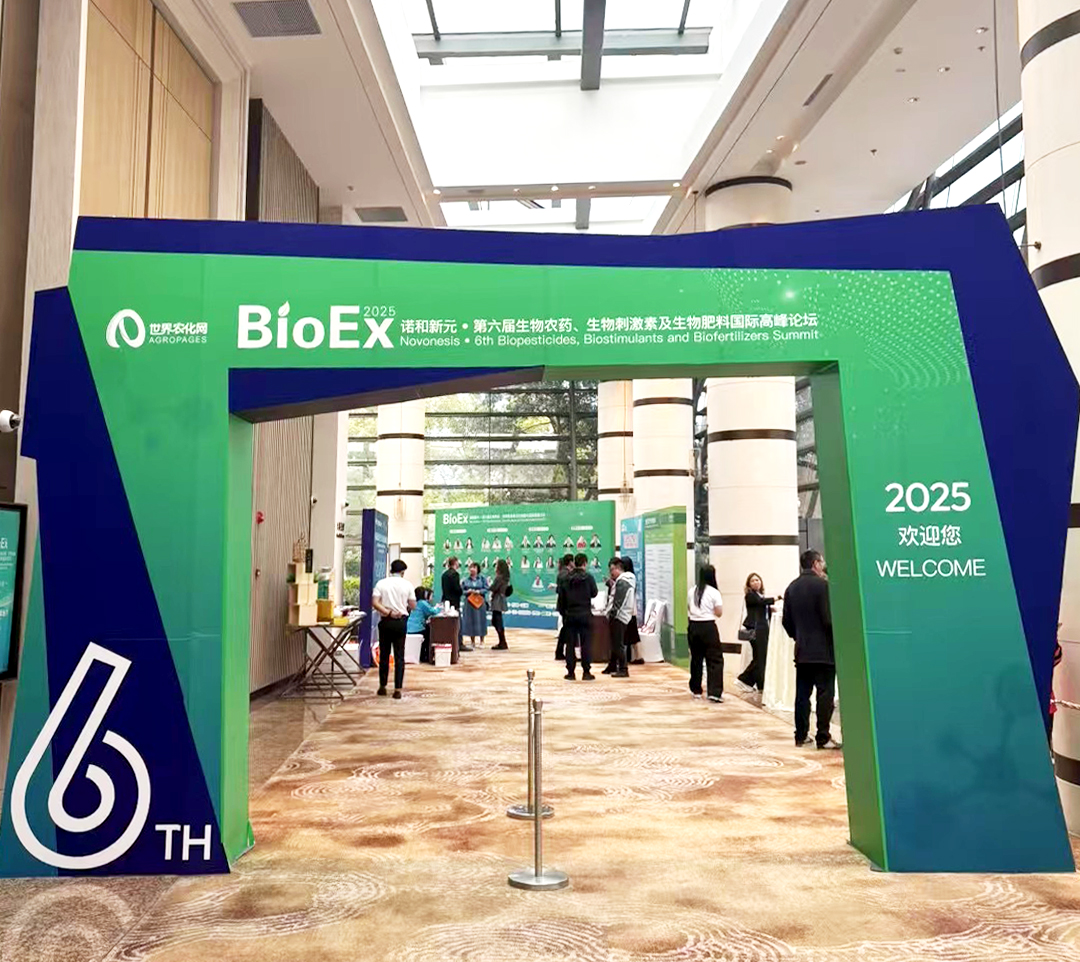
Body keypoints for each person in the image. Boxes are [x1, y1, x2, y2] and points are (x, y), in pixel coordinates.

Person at [782, 550, 841, 749]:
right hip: (824, 650)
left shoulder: (792, 587)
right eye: (821, 562)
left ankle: (800, 735)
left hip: (802, 650)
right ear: (816, 563)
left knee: (802, 695)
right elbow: (829, 619)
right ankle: (823, 737)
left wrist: (798, 636)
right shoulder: (824, 586)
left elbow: (786, 621)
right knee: (825, 694)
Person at [371, 559, 416, 699]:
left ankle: (382, 687)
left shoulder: (381, 583)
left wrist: (387, 612)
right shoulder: (407, 585)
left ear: (391, 570)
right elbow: (413, 605)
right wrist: (404, 606)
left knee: (384, 655)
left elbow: (374, 602)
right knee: (399, 656)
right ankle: (397, 689)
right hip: (400, 623)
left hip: (385, 622)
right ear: (402, 572)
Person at [687, 565, 725, 702]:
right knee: (714, 659)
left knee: (696, 659)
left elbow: (689, 608)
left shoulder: (692, 591)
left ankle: (696, 689)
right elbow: (719, 613)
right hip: (708, 627)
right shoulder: (714, 592)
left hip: (693, 626)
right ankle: (714, 692)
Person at [558, 553, 597, 681]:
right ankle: (586, 672)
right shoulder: (589, 577)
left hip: (570, 615)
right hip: (585, 615)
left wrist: (564, 614)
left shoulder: (566, 578)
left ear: (575, 563)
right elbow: (594, 593)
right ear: (585, 563)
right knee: (586, 644)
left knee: (570, 645)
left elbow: (561, 598)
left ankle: (571, 672)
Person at [737, 573, 775, 693]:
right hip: (756, 629)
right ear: (749, 584)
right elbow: (761, 602)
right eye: (752, 581)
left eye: (757, 580)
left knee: (760, 657)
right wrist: (776, 599)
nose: (755, 582)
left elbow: (762, 607)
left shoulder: (760, 595)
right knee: (760, 657)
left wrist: (770, 609)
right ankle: (744, 679)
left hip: (763, 628)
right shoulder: (751, 596)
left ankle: (760, 684)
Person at [605, 556, 636, 678]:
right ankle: (614, 666)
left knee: (618, 644)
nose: (611, 573)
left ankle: (623, 668)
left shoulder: (623, 582)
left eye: (612, 570)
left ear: (618, 568)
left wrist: (612, 614)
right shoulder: (625, 580)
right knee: (616, 643)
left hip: (619, 617)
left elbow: (619, 601)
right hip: (622, 615)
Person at [441, 556, 471, 652]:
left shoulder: (444, 574)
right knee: (457, 623)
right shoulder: (455, 574)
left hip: (445, 600)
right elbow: (457, 589)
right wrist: (462, 589)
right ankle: (459, 643)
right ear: (455, 563)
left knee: (447, 623)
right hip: (454, 602)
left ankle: (449, 641)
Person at [407, 586, 441, 663]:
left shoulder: (415, 602)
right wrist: (439, 608)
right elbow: (432, 611)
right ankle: (427, 656)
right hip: (417, 629)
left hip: (409, 628)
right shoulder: (422, 603)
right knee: (429, 634)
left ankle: (422, 655)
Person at [461, 561, 489, 648]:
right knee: (470, 621)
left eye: (474, 568)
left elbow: (486, 589)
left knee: (481, 621)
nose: (472, 569)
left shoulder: (482, 579)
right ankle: (472, 641)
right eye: (471, 567)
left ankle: (482, 641)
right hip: (469, 603)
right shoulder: (465, 580)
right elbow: (462, 591)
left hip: (480, 603)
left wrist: (479, 592)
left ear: (478, 569)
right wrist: (468, 591)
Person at [554, 553, 574, 660]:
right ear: (570, 562)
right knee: (566, 628)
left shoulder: (562, 573)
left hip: (563, 605)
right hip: (566, 605)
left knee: (565, 628)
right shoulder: (566, 574)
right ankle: (560, 651)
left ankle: (560, 651)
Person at [490, 559, 513, 650]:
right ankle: (502, 641)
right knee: (496, 620)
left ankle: (502, 642)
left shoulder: (499, 578)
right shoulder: (506, 577)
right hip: (501, 599)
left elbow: (493, 588)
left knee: (497, 621)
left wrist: (488, 584)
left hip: (497, 600)